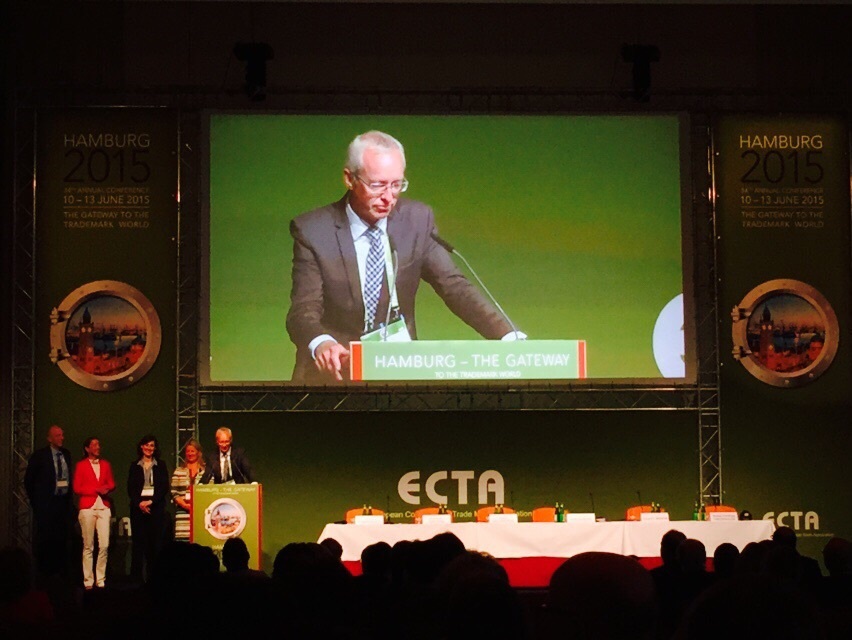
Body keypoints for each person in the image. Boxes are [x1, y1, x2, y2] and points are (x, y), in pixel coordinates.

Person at [286, 130, 524, 384]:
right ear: (349, 178)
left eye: (396, 184)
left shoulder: (416, 220)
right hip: (335, 374)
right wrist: (322, 343)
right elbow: (303, 309)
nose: (388, 197)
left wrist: (507, 336)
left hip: (398, 371)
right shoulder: (313, 231)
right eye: (377, 185)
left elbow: (454, 286)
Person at [23, 424, 75, 582]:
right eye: (58, 435)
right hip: (46, 505)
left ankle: (61, 573)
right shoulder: (40, 456)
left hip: (62, 503)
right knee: (46, 539)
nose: (62, 438)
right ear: (49, 438)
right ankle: (45, 573)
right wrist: (37, 501)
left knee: (62, 538)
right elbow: (29, 480)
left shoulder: (66, 454)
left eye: (62, 435)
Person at [72, 436, 115, 590]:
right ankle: (88, 580)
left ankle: (100, 579)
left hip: (103, 507)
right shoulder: (81, 465)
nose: (98, 447)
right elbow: (77, 488)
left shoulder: (105, 464)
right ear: (87, 448)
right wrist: (96, 489)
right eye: (94, 445)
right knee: (88, 545)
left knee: (104, 545)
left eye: (98, 444)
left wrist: (106, 488)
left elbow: (111, 483)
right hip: (87, 507)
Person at [127, 434, 170, 584]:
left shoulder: (161, 465)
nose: (149, 448)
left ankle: (155, 579)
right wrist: (140, 503)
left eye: (152, 445)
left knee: (155, 545)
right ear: (141, 447)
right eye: (147, 445)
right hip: (138, 510)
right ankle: (136, 580)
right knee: (138, 546)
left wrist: (151, 502)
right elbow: (131, 489)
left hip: (155, 508)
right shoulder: (134, 465)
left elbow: (164, 487)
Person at [170, 438, 210, 540]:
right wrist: (184, 505)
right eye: (188, 451)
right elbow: (174, 492)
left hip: (200, 512)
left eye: (192, 451)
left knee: (199, 541)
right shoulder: (179, 471)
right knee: (183, 544)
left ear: (198, 453)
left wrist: (196, 506)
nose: (190, 453)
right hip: (182, 514)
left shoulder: (206, 471)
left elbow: (210, 490)